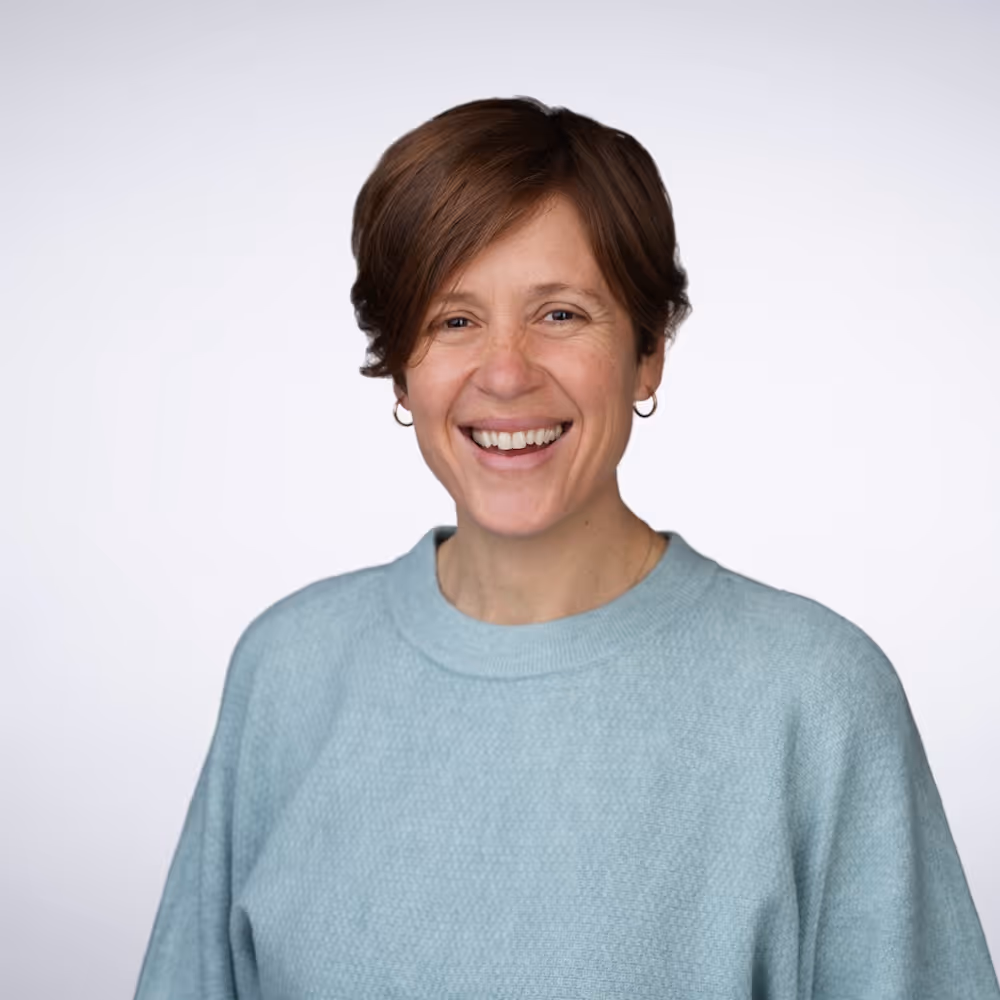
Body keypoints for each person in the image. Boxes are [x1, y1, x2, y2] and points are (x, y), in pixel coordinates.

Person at [133, 97, 999, 998]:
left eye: (560, 314)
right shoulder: (287, 671)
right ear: (400, 365)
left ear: (650, 349)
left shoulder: (816, 698)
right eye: (454, 320)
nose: (505, 373)